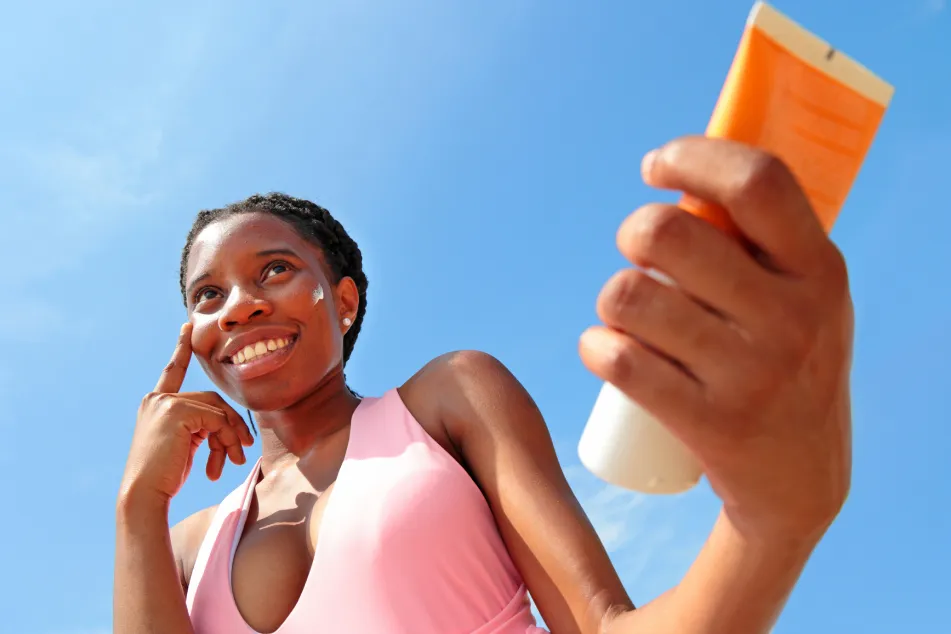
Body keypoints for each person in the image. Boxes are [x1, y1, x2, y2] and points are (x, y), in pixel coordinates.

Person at [114, 137, 854, 634]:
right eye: (207, 295)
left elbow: (602, 626)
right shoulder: (184, 547)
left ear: (343, 301)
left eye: (274, 270)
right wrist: (137, 506)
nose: (238, 306)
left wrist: (770, 526)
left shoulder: (449, 401)